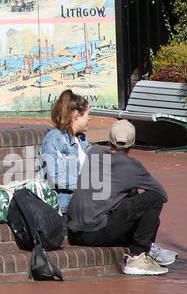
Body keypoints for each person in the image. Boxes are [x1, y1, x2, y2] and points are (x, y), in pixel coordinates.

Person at [66, 119, 179, 276]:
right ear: (132, 145)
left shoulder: (94, 153)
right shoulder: (131, 166)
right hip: (96, 231)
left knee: (128, 192)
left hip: (75, 231)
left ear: (109, 141)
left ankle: (147, 247)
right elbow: (161, 194)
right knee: (153, 199)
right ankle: (137, 256)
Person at [39, 89, 91, 215]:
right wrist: (88, 185)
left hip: (85, 200)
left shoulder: (82, 139)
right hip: (65, 205)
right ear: (76, 116)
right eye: (87, 114)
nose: (89, 119)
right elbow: (56, 177)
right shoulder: (54, 138)